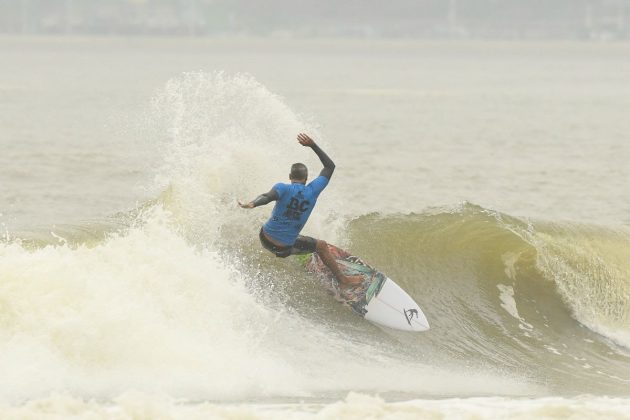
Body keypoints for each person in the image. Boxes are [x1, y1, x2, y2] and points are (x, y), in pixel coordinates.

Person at [238, 133, 363, 288]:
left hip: (264, 238)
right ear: (307, 178)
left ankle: (292, 248)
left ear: (290, 176)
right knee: (321, 246)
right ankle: (343, 280)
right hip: (283, 248)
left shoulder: (282, 188)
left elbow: (267, 196)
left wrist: (252, 204)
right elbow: (330, 166)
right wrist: (312, 145)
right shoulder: (313, 190)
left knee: (281, 225)